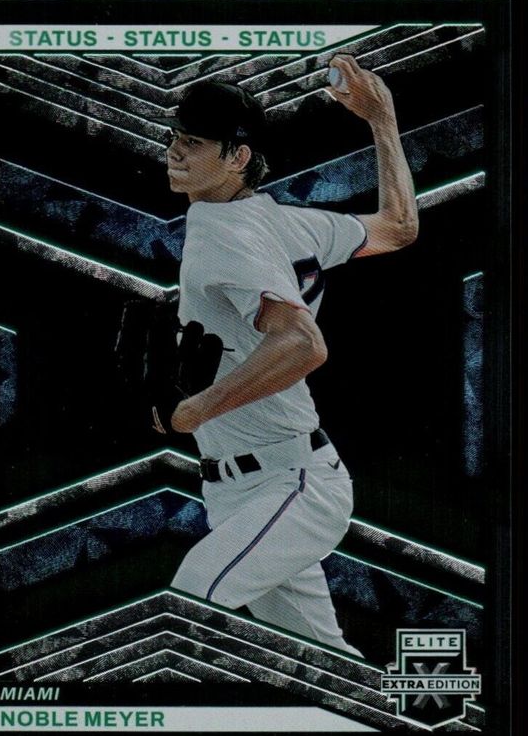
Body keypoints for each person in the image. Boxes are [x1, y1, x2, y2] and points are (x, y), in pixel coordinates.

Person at [156, 55, 418, 656]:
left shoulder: (226, 233)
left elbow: (302, 343)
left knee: (187, 608)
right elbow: (398, 226)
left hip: (289, 485)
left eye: (194, 143)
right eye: (175, 137)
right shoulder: (284, 223)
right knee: (323, 666)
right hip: (254, 486)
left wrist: (195, 409)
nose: (175, 151)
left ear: (238, 157)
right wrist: (382, 119)